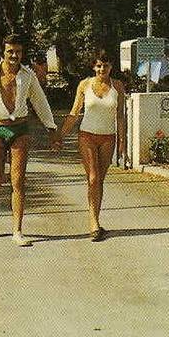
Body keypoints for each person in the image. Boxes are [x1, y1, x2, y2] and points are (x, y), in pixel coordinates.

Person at [0, 34, 58, 247]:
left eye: (18, 51)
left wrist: (51, 128)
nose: (14, 55)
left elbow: (40, 102)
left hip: (20, 129)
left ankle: (17, 230)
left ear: (22, 53)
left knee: (18, 181)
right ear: (3, 52)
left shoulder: (28, 76)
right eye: (10, 51)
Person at [57, 49, 127, 241]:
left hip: (108, 138)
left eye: (105, 65)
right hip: (87, 135)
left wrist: (122, 141)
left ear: (111, 67)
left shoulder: (118, 86)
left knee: (99, 180)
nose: (102, 69)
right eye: (98, 65)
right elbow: (74, 112)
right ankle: (93, 223)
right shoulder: (85, 85)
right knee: (93, 178)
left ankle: (96, 218)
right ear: (93, 66)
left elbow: (120, 116)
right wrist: (60, 135)